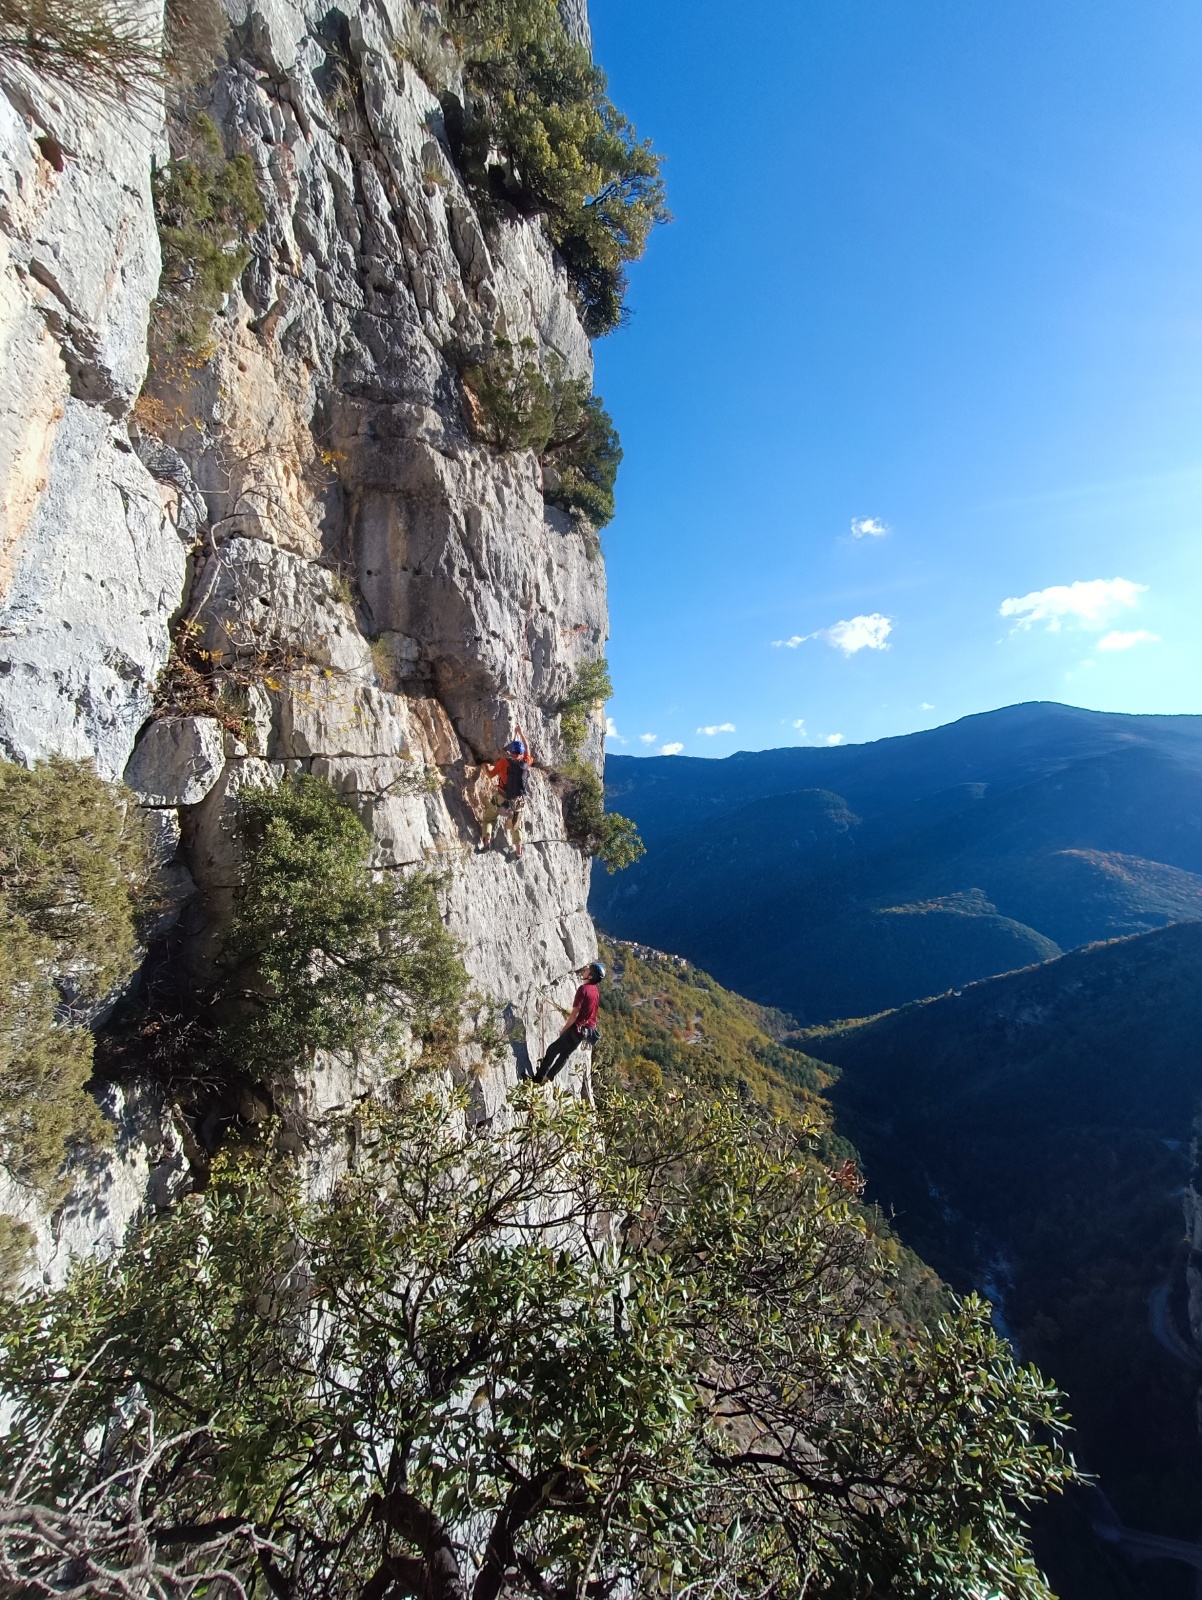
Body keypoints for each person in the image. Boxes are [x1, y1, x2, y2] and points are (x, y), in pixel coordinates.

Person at [534, 962, 604, 1084]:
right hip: (586, 1031)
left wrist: (564, 1029)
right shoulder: (595, 991)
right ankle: (547, 1078)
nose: (586, 969)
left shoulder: (583, 989)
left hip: (577, 1029)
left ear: (590, 976)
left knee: (552, 1050)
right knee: (564, 1054)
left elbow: (575, 1014)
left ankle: (538, 1078)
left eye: (589, 969)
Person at [480, 728, 533, 858]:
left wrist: (485, 765)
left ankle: (487, 842)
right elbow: (527, 747)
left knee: (489, 819)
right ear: (521, 753)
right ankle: (518, 851)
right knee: (516, 825)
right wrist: (521, 733)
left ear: (511, 751)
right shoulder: (526, 762)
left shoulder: (504, 762)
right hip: (517, 801)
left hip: (501, 797)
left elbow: (490, 774)